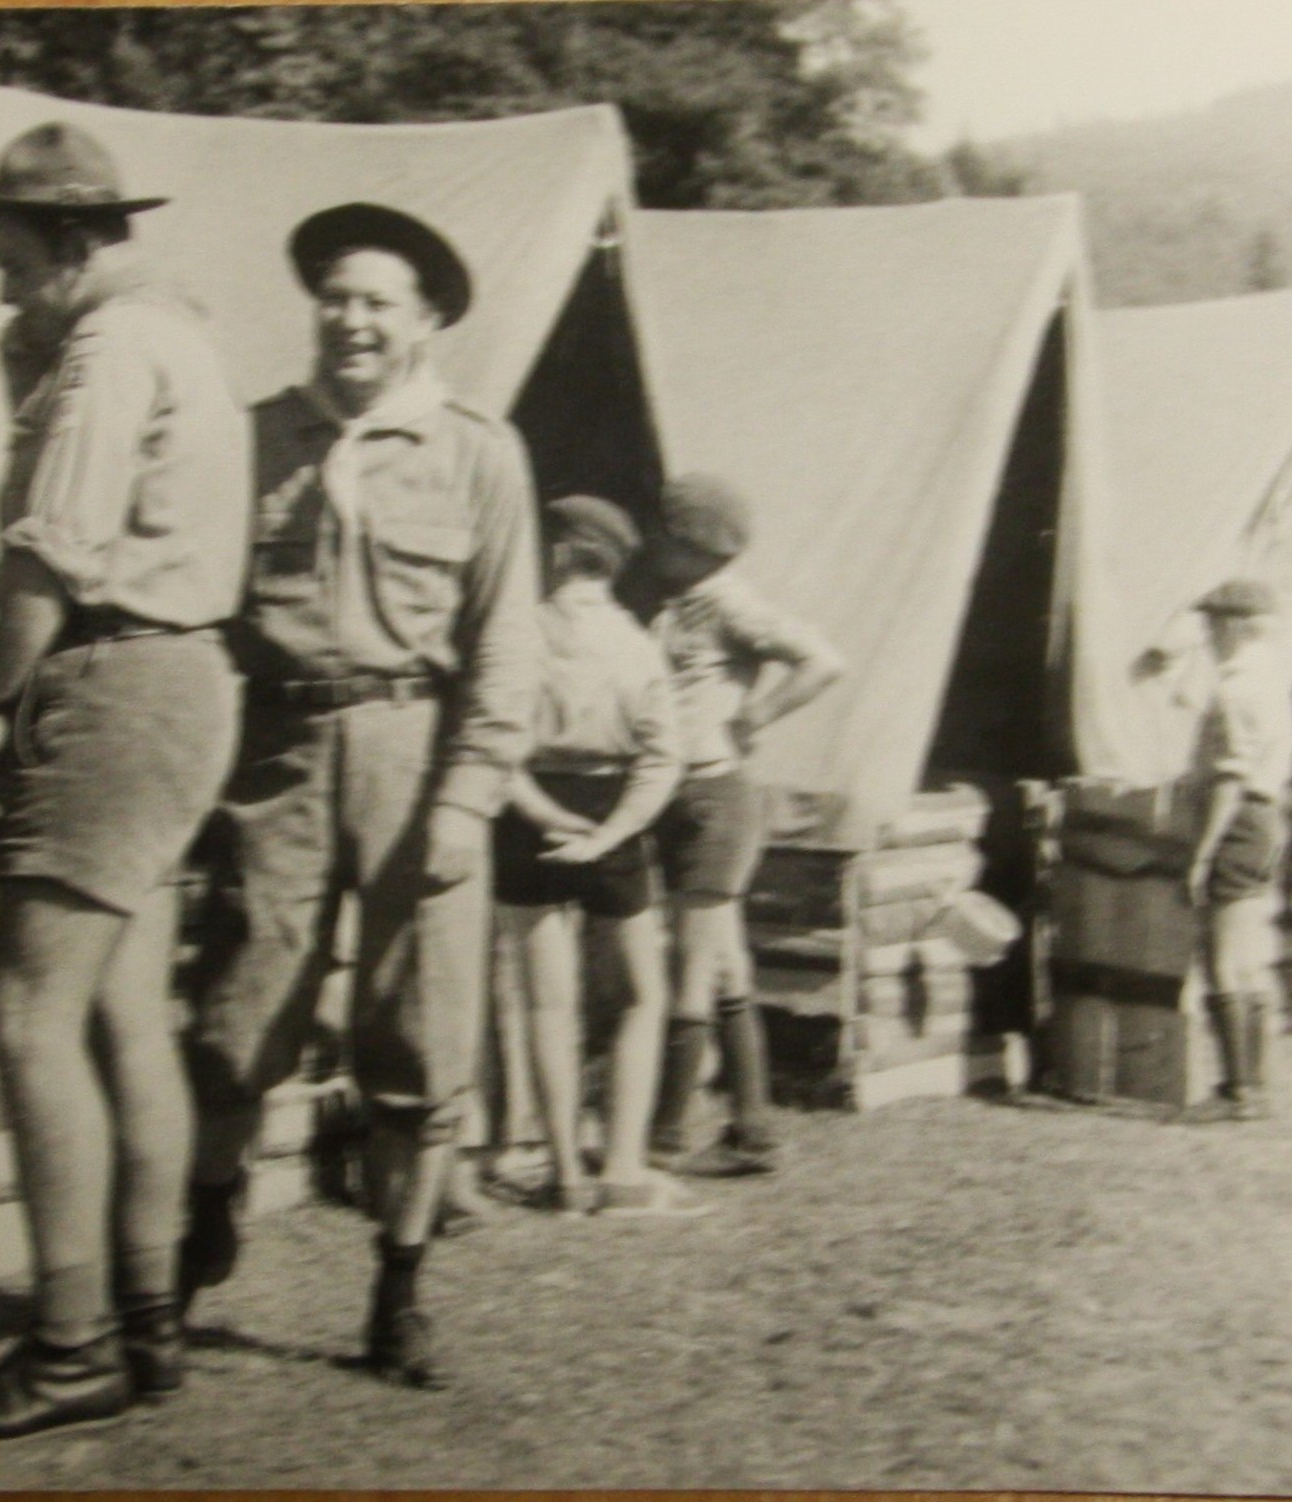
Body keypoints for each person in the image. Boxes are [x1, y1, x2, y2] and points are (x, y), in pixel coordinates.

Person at [0, 122, 249, 1441]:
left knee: (28, 1009)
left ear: (64, 243)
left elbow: (47, 555)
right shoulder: (178, 337)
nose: (0, 290)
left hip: (110, 681)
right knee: (121, 1015)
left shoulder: (108, 351)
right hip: (181, 680)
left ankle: (66, 1348)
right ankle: (146, 1319)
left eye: (9, 263)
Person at [182, 201, 539, 1389]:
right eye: (335, 297)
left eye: (377, 301)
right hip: (277, 753)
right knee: (234, 1016)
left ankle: (398, 1289)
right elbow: (203, 611)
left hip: (414, 752)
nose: (351, 320)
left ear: (425, 320)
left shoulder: (478, 451)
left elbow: (505, 640)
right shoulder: (255, 439)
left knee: (417, 1038)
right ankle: (204, 1217)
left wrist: (468, 795)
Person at [491, 494, 697, 1218]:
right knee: (641, 995)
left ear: (556, 555)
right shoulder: (637, 643)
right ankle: (622, 1168)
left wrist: (544, 815)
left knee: (547, 1002)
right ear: (612, 565)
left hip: (529, 821)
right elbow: (664, 758)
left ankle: (563, 1176)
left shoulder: (518, 635)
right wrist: (609, 836)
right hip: (613, 811)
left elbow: (495, 748)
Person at [641, 474, 843, 1177]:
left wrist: (755, 715)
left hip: (713, 798)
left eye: (665, 536)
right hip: (689, 797)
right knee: (726, 967)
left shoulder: (729, 604)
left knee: (691, 968)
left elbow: (823, 661)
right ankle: (753, 1129)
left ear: (691, 543)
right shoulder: (683, 606)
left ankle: (666, 1136)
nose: (653, 547)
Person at [1183, 579, 1292, 1119]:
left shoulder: (1235, 689)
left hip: (1237, 821)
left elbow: (1229, 779)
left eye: (1212, 624)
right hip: (1267, 817)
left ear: (1234, 626)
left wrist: (1203, 853)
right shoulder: (1274, 682)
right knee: (1250, 962)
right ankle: (1255, 1085)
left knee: (1224, 962)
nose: (1208, 635)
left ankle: (1237, 1091)